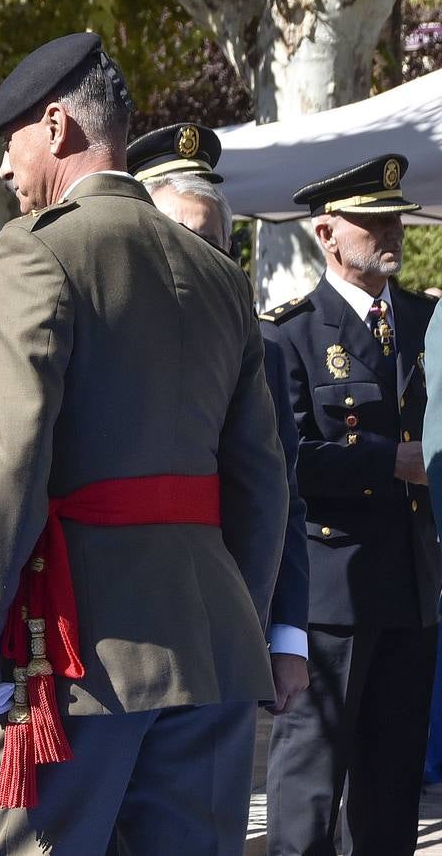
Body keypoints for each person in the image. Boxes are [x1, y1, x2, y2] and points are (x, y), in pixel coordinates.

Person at [0, 33, 286, 855]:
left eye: (11, 144)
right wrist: (243, 615)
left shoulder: (37, 249)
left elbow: (10, 458)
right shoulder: (219, 275)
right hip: (211, 646)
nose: (6, 172)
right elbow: (262, 479)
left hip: (75, 651)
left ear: (54, 127)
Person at [263, 154, 439, 856]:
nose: (389, 230)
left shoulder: (428, 320)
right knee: (309, 784)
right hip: (330, 591)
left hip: (412, 582)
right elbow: (284, 458)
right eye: (372, 221)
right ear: (328, 234)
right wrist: (387, 462)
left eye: (393, 216)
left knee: (392, 788)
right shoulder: (292, 333)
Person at [133, 127, 311, 719]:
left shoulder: (262, 347)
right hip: (115, 631)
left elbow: (277, 490)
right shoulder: (101, 339)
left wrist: (284, 635)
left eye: (212, 244)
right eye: (177, 239)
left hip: (224, 626)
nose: (197, 261)